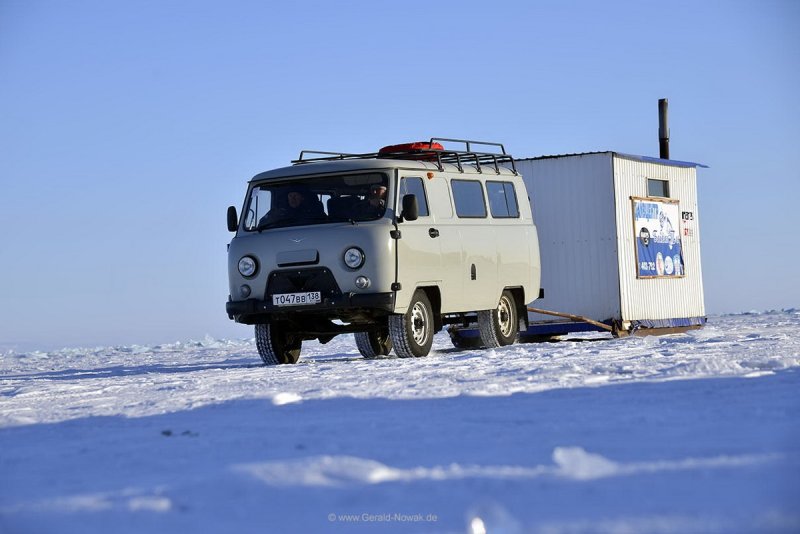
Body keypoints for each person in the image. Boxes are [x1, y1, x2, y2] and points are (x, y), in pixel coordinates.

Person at [259, 185, 325, 227]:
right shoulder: (279, 212)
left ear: (302, 198)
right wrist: (274, 217)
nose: (292, 199)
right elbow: (262, 224)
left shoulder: (314, 212)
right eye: (290, 196)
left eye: (295, 196)